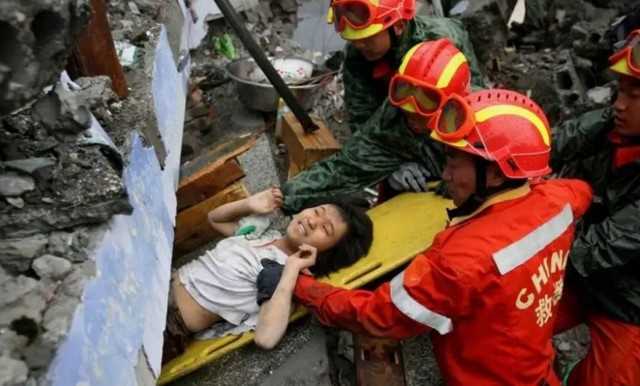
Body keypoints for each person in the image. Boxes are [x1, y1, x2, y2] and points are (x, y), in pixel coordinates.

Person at [264, 89, 593, 385]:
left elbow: (379, 315)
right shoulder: (559, 199)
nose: (445, 174)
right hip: (531, 362)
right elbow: (583, 191)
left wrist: (305, 287)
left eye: (453, 162)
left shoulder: (460, 262)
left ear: (495, 174)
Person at [162, 187, 373, 363]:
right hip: (160, 283)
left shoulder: (284, 275)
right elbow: (215, 219)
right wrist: (249, 204)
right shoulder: (264, 234)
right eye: (317, 211)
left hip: (166, 323)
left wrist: (291, 270)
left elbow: (266, 338)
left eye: (325, 229)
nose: (312, 221)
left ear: (328, 253)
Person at [283, 39, 472, 213]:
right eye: (403, 90)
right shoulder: (396, 114)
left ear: (452, 107)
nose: (411, 111)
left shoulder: (481, 136)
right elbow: (344, 168)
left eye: (426, 102)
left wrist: (450, 184)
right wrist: (281, 197)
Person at [551, 28, 640, 386]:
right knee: (499, 327)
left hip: (629, 302)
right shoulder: (614, 128)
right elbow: (552, 144)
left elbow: (596, 249)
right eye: (619, 91)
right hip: (580, 279)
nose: (619, 104)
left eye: (634, 95)